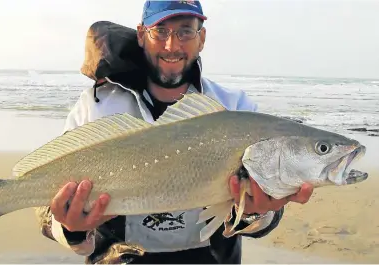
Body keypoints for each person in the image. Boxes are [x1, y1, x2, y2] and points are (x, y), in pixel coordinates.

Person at [35, 1, 314, 263]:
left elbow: (261, 223)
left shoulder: (235, 108)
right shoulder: (97, 106)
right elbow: (45, 209)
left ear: (201, 38)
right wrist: (71, 228)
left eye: (185, 32)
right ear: (142, 35)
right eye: (161, 31)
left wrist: (258, 211)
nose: (172, 45)